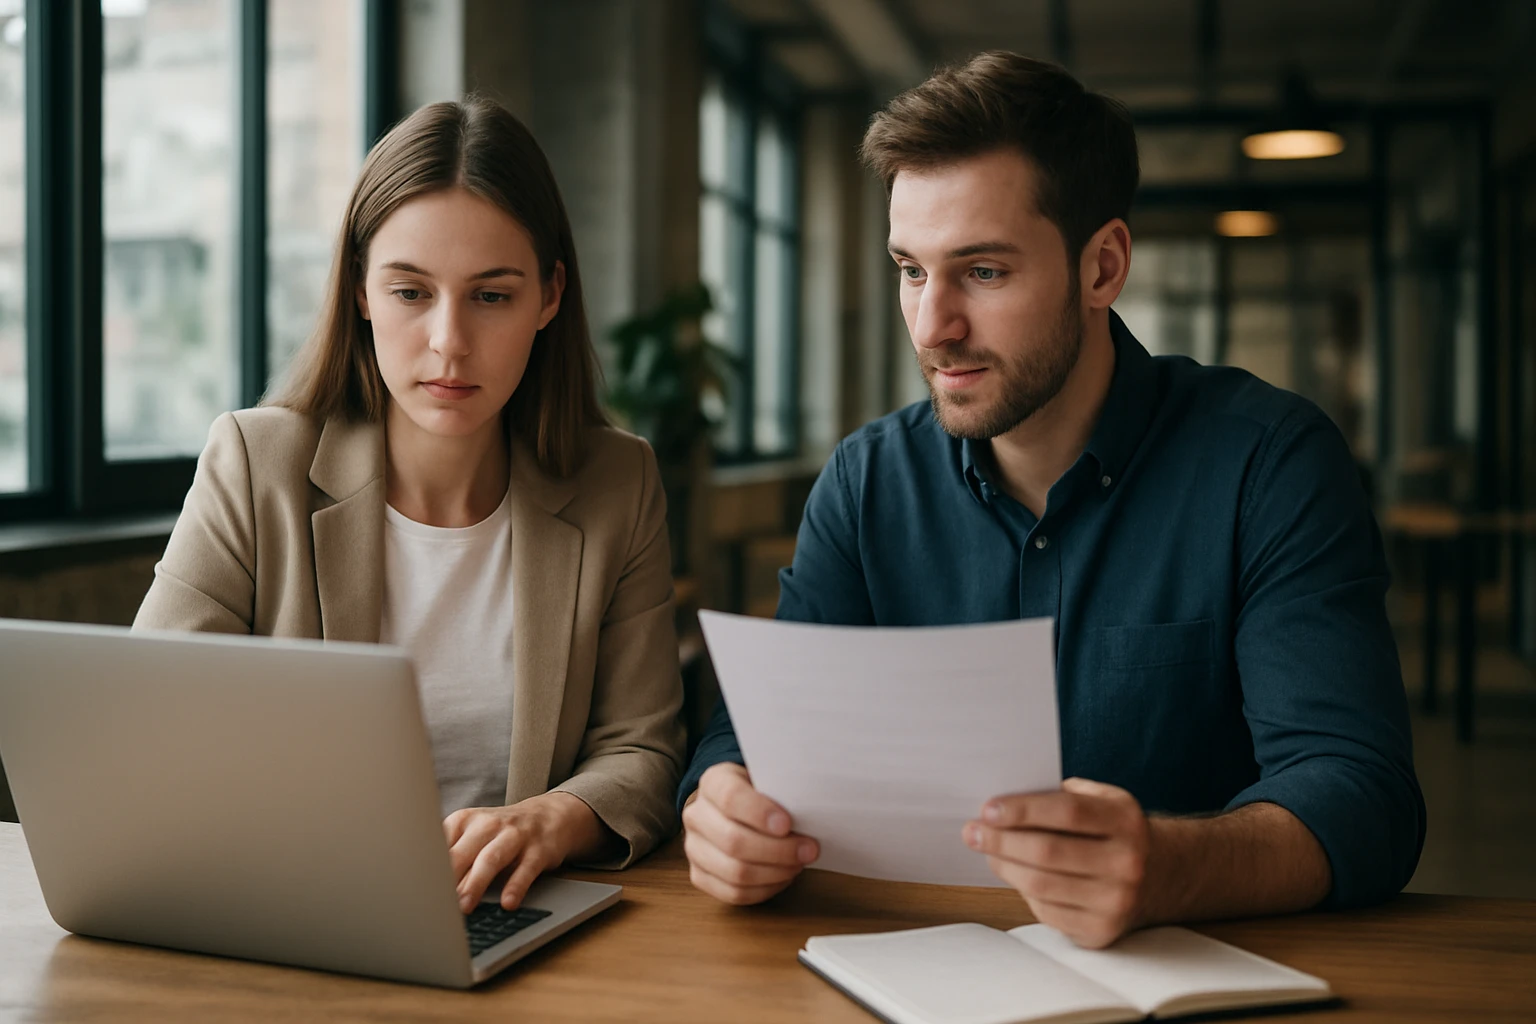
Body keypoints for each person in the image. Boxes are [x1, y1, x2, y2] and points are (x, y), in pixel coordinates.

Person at [678, 52, 1423, 948]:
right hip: (913, 974)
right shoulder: (866, 482)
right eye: (911, 270)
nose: (931, 326)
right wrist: (722, 802)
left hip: (1186, 977)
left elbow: (1359, 790)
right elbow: (754, 737)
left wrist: (1170, 866)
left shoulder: (1270, 465)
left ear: (1103, 266)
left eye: (983, 272)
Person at [135, 97, 685, 915]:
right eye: (410, 292)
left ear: (549, 296)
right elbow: (149, 720)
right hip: (291, 906)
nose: (449, 342)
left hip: (506, 912)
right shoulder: (256, 464)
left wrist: (555, 817)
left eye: (491, 296)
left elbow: (641, 746)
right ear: (361, 291)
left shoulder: (617, 482)